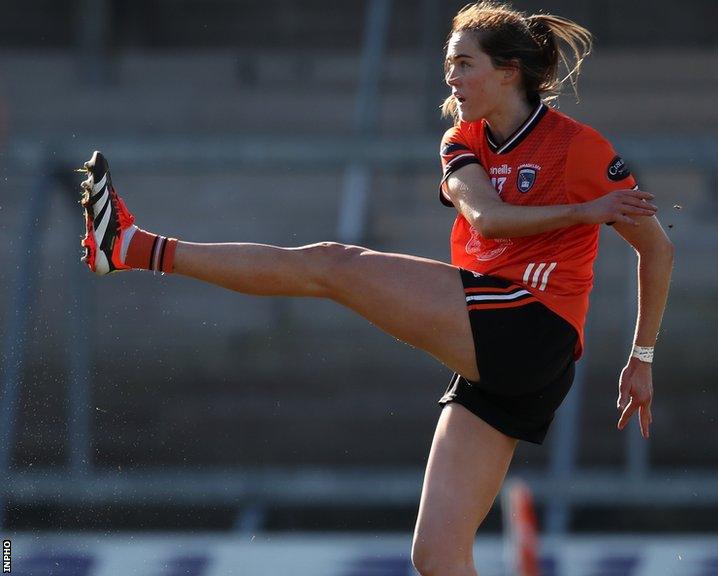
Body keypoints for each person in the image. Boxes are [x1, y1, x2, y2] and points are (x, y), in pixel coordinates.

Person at [77, 2, 673, 574]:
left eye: (465, 63)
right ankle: (131, 249)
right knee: (437, 558)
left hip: (532, 328)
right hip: (498, 338)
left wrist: (641, 355)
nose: (452, 77)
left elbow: (657, 248)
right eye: (449, 64)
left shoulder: (578, 148)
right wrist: (584, 212)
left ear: (508, 71)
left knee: (334, 266)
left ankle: (134, 248)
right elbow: (487, 217)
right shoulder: (461, 142)